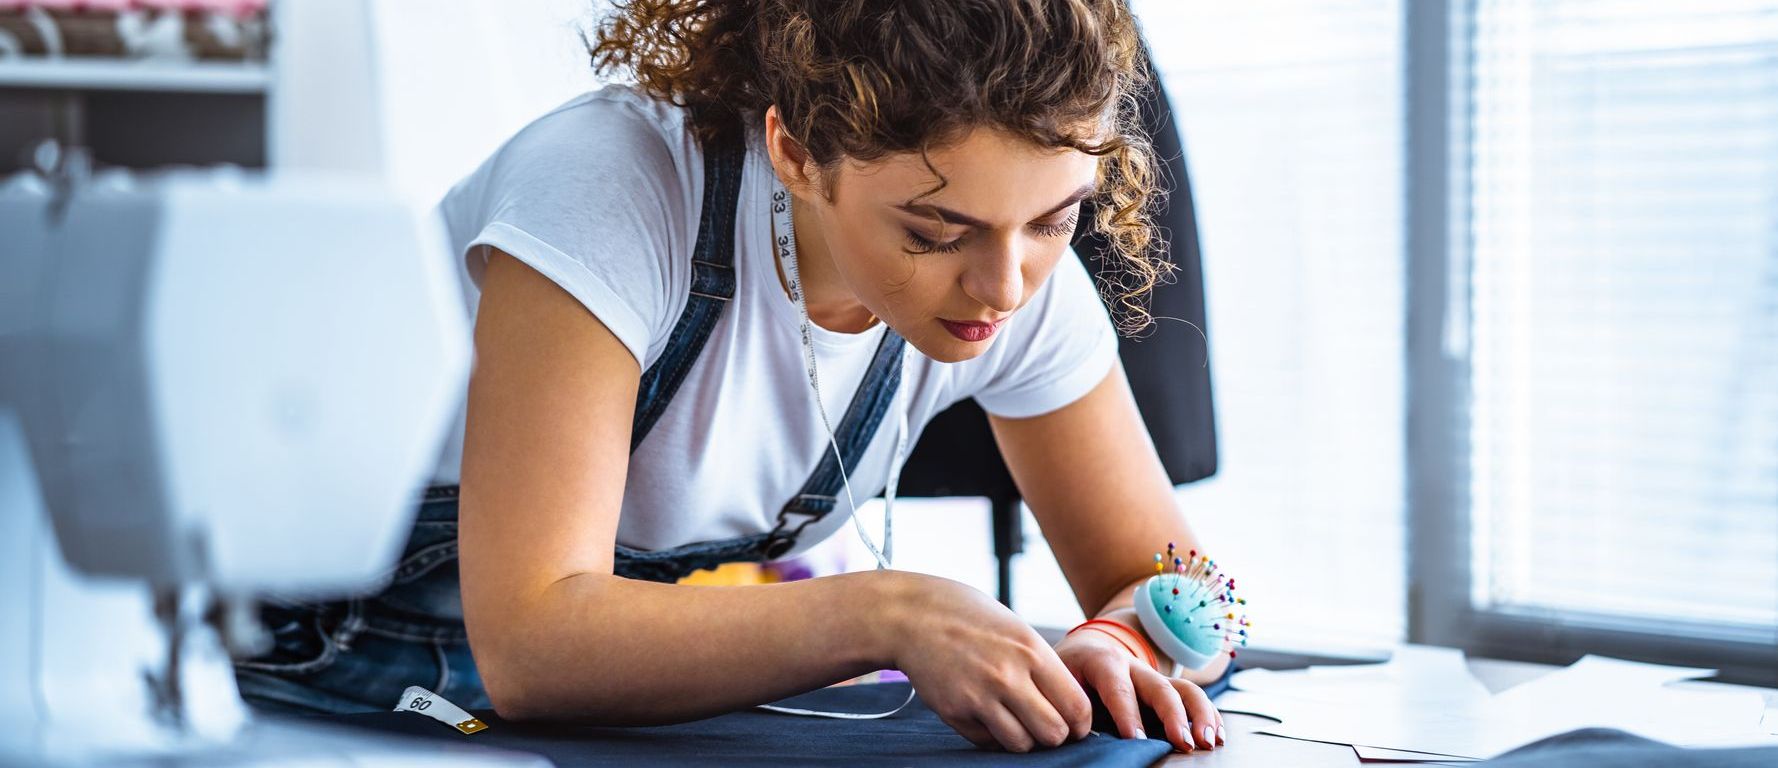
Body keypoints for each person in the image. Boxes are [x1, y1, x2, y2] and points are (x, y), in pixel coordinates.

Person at [234, 0, 1232, 754]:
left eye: (1055, 220)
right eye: (934, 231)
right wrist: (891, 613)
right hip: (320, 687)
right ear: (795, 151)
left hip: (597, 724)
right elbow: (530, 640)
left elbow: (1191, 588)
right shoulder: (612, 188)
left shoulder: (1017, 292)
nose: (1004, 285)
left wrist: (1122, 644)